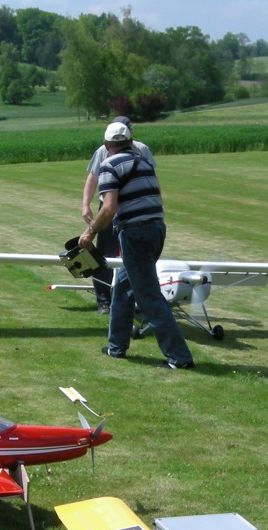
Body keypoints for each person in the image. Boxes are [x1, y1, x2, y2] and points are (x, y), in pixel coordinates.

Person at [78, 121, 193, 369]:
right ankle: (116, 347)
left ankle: (179, 358)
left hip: (135, 234)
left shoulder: (109, 165)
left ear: (106, 145)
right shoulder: (145, 163)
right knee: (122, 288)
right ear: (130, 141)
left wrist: (89, 233)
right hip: (157, 229)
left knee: (149, 296)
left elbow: (108, 208)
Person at [82, 116, 154, 314]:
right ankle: (103, 300)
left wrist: (89, 231)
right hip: (110, 207)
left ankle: (133, 299)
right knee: (105, 253)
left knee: (134, 256)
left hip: (130, 209)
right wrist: (85, 204)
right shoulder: (101, 152)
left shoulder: (143, 150)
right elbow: (92, 178)